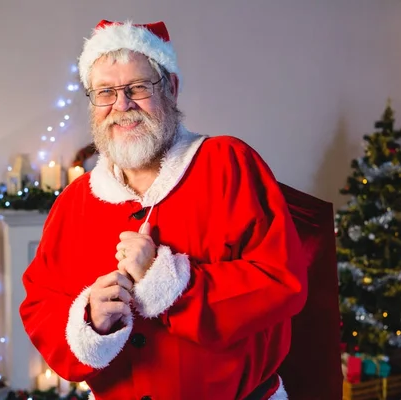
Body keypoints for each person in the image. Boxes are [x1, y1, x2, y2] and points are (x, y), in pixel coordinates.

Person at [20, 20, 310, 400]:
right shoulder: (75, 200)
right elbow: (40, 301)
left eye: (137, 88)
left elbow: (281, 279)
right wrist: (90, 318)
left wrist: (166, 281)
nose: (121, 106)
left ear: (170, 89)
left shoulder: (227, 163)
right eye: (106, 92)